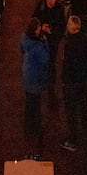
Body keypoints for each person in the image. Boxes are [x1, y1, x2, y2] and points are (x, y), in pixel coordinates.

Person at [60, 15, 87, 151]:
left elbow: (67, 64)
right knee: (83, 108)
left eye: (68, 24)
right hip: (83, 81)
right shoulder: (86, 39)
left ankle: (73, 139)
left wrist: (63, 80)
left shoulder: (70, 44)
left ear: (72, 28)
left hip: (72, 82)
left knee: (71, 111)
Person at [20, 16, 50, 147]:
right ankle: (33, 127)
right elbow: (45, 59)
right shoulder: (37, 46)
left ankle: (28, 125)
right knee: (35, 103)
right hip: (36, 77)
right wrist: (45, 41)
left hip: (28, 73)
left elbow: (21, 49)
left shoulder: (24, 38)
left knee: (29, 102)